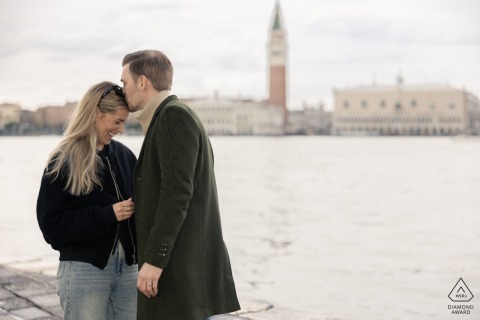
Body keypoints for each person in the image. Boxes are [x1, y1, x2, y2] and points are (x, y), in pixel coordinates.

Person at [120, 50, 240, 319]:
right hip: (181, 268)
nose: (122, 89)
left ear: (142, 82)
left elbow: (176, 194)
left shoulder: (173, 116)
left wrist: (154, 260)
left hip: (181, 269)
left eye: (124, 82)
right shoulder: (169, 115)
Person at [36, 81, 138, 320]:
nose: (121, 130)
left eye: (124, 122)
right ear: (96, 115)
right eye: (117, 122)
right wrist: (106, 214)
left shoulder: (125, 156)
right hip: (84, 271)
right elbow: (52, 227)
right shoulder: (63, 161)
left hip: (129, 271)